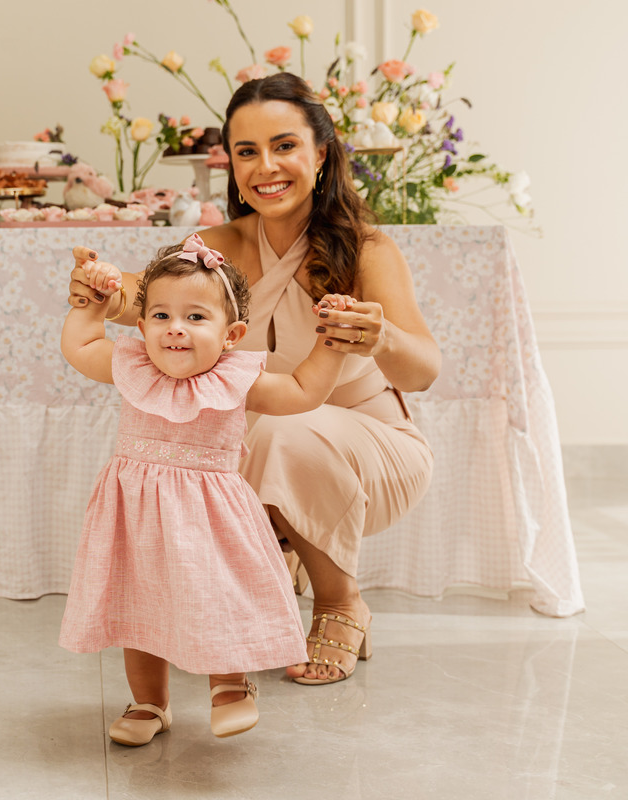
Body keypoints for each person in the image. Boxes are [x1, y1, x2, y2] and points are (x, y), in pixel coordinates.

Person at [68, 72, 439, 686]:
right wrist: (100, 289)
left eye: (284, 146)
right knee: (184, 457)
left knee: (276, 433)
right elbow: (146, 298)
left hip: (374, 454)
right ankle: (280, 543)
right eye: (247, 151)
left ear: (321, 154)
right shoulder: (215, 246)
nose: (266, 166)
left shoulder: (367, 249)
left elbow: (423, 370)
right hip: (258, 449)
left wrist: (382, 338)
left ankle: (341, 600)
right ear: (232, 166)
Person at [59, 232, 353, 746]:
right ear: (143, 324)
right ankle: (149, 701)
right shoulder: (132, 366)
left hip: (211, 520)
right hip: (136, 518)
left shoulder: (237, 378)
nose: (175, 328)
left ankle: (230, 685)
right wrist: (91, 303)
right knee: (138, 608)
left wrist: (332, 341)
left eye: (196, 317)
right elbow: (80, 346)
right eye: (161, 315)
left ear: (231, 334)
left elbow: (304, 390)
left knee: (218, 599)